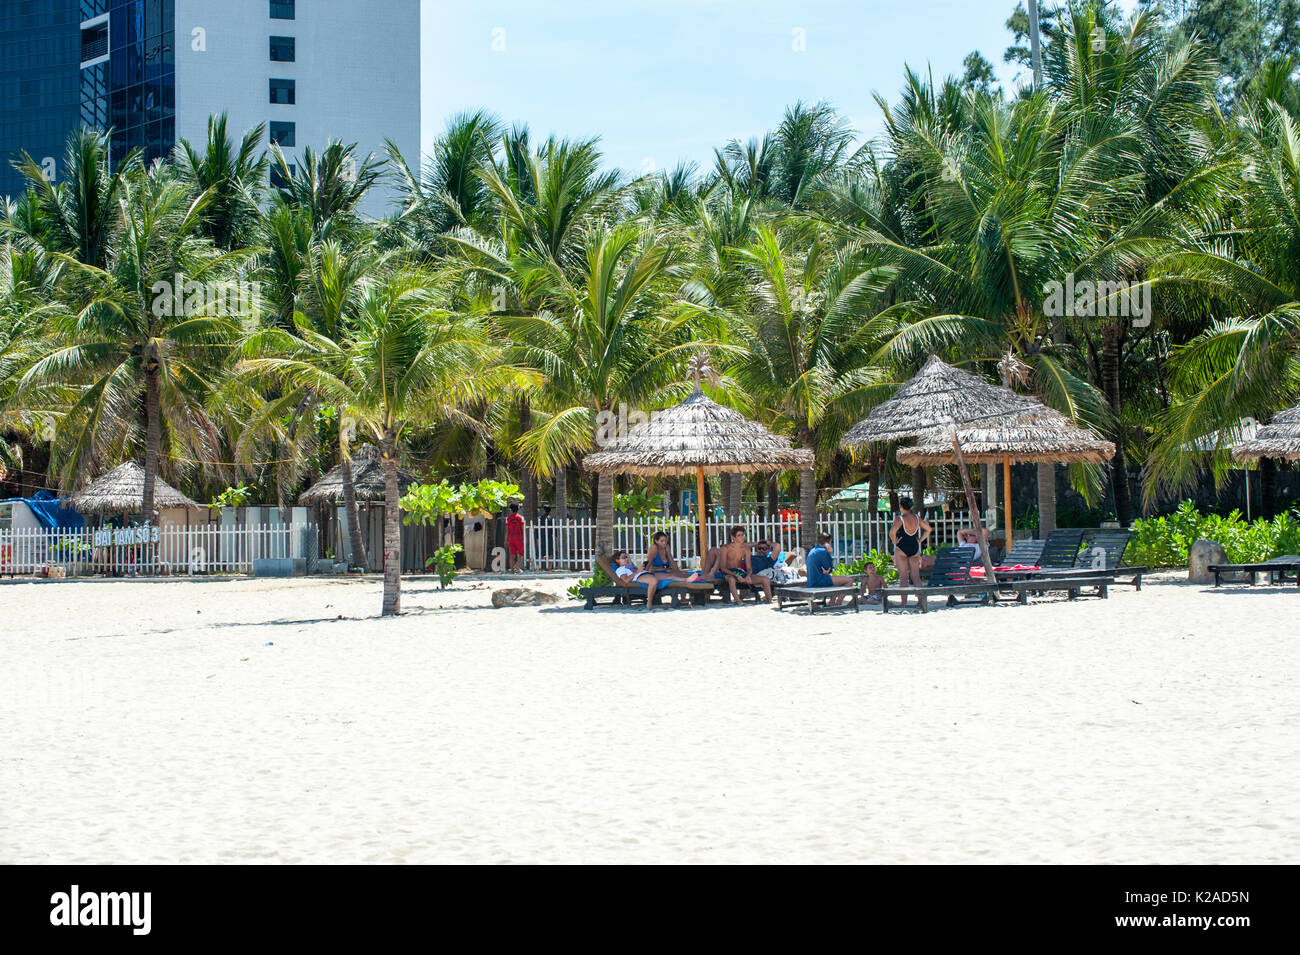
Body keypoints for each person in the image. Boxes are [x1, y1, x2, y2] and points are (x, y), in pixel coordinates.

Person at [702, 526, 772, 602]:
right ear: (733, 537)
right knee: (731, 580)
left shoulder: (746, 549)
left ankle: (769, 601)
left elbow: (749, 568)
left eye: (743, 535)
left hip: (740, 571)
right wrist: (736, 575)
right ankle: (739, 602)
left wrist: (748, 576)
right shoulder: (726, 548)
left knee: (766, 580)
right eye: (739, 535)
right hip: (729, 572)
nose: (742, 537)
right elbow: (723, 568)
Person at [806, 533, 877, 605]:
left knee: (839, 580)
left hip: (812, 581)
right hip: (818, 581)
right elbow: (829, 569)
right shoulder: (823, 551)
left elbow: (825, 570)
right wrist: (830, 553)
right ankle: (838, 602)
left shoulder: (814, 550)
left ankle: (832, 601)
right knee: (849, 580)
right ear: (828, 542)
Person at [890, 497, 931, 606]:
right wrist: (920, 540)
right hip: (914, 548)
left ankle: (904, 603)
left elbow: (892, 532)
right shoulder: (917, 518)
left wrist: (895, 541)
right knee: (916, 576)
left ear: (901, 506)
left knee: (903, 577)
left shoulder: (900, 519)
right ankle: (921, 601)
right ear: (911, 506)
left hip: (901, 548)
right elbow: (929, 529)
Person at [506, 502, 525, 572]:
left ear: (511, 510)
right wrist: (524, 538)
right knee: (521, 555)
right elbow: (523, 529)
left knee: (512, 555)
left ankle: (512, 570)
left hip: (511, 538)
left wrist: (506, 540)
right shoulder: (521, 518)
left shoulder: (508, 519)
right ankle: (516, 566)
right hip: (519, 538)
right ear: (518, 509)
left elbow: (507, 530)